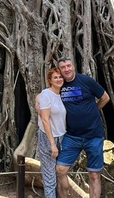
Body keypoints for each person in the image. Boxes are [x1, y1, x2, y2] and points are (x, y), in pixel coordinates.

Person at [56, 57, 109, 198]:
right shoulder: (59, 86)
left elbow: (105, 97)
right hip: (72, 136)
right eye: (63, 67)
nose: (66, 69)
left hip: (93, 135)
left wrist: (94, 110)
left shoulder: (86, 81)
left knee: (94, 174)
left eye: (68, 66)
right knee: (61, 169)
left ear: (73, 67)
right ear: (60, 70)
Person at [36, 68, 66, 198]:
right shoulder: (46, 95)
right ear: (50, 80)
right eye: (55, 77)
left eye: (61, 77)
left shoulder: (64, 95)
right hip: (48, 138)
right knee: (49, 178)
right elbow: (45, 119)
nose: (59, 79)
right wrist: (52, 144)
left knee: (62, 173)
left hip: (63, 137)